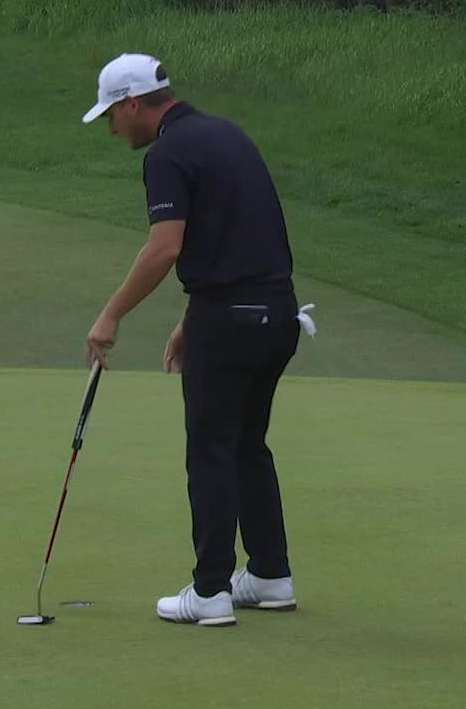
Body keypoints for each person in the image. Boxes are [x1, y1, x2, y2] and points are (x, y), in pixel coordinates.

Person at [80, 52, 310, 627]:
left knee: (210, 448)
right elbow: (235, 238)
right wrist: (193, 315)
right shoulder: (226, 135)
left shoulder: (167, 153)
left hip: (229, 319)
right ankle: (269, 575)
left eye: (112, 113)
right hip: (276, 314)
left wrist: (111, 315)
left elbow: (165, 246)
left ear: (134, 104)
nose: (112, 127)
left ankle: (210, 591)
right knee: (247, 445)